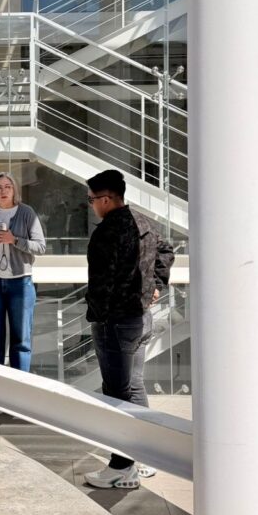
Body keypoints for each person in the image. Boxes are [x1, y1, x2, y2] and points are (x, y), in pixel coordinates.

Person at [82, 169, 174, 490]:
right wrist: (156, 285)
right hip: (141, 319)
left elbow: (101, 283)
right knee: (134, 387)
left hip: (116, 323)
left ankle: (122, 467)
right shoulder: (144, 222)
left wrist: (98, 315)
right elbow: (166, 251)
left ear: (106, 199)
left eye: (92, 199)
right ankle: (143, 454)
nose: (91, 205)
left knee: (117, 393)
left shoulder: (107, 233)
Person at [0, 171, 46, 417]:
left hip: (20, 283)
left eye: (7, 186)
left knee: (21, 342)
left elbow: (40, 247)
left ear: (15, 190)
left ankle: (18, 401)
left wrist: (14, 240)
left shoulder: (26, 213)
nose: (3, 191)